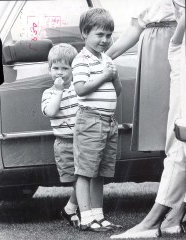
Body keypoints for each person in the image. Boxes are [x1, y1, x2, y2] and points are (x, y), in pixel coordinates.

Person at [108, 0, 186, 238]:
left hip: (177, 42)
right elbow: (136, 25)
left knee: (178, 137)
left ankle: (168, 215)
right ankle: (171, 213)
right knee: (174, 137)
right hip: (167, 47)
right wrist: (103, 59)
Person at [72, 8, 122, 232]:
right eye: (99, 34)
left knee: (100, 172)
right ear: (85, 33)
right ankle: (85, 217)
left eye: (109, 35)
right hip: (90, 121)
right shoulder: (81, 59)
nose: (105, 40)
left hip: (108, 122)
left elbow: (117, 91)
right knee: (85, 171)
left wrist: (114, 75)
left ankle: (98, 216)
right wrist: (104, 75)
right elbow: (81, 89)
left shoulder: (107, 58)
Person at [41, 43, 80, 228]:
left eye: (65, 68)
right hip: (64, 144)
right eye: (55, 68)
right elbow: (51, 111)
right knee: (76, 181)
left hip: (82, 141)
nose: (60, 72)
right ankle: (72, 209)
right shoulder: (49, 93)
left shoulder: (78, 90)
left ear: (73, 70)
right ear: (49, 70)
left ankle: (72, 209)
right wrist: (58, 91)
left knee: (86, 178)